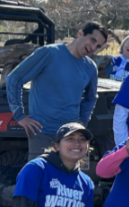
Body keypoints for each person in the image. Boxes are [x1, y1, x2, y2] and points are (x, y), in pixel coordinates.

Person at [6, 21, 110, 162]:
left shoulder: (90, 67)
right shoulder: (48, 53)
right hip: (43, 132)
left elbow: (91, 98)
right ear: (80, 34)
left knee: (70, 180)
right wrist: (19, 116)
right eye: (92, 40)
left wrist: (82, 123)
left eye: (98, 46)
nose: (93, 47)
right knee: (40, 179)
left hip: (71, 135)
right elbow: (14, 78)